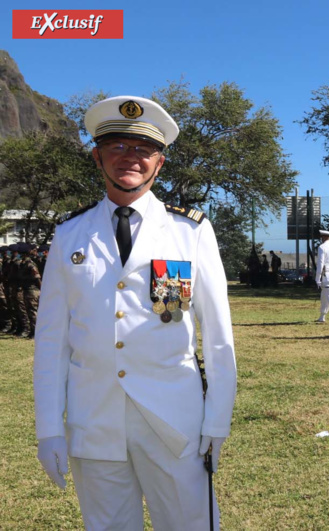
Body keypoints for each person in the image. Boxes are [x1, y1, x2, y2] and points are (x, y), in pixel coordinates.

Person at [33, 95, 237, 530]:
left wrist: (218, 421)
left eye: (144, 149)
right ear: (97, 156)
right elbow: (51, 341)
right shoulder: (70, 234)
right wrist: (48, 427)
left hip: (174, 420)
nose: (131, 157)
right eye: (118, 146)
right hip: (95, 418)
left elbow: (219, 336)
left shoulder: (190, 230)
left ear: (159, 163)